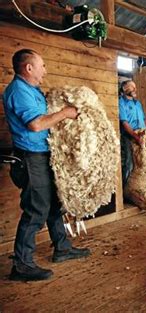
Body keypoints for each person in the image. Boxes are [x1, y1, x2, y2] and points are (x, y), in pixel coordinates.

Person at [3, 49, 90, 281]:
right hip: (31, 158)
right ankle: (21, 265)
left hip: (43, 155)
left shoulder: (32, 90)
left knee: (53, 204)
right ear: (28, 68)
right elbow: (35, 124)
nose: (45, 70)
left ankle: (62, 247)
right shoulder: (19, 91)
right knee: (36, 210)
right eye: (41, 65)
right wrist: (65, 113)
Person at [119, 80, 146, 186]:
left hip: (141, 134)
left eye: (135, 86)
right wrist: (136, 136)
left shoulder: (138, 103)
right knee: (129, 163)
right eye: (131, 86)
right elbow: (124, 123)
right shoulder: (121, 102)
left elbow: (143, 120)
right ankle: (124, 190)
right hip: (129, 135)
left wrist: (143, 134)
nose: (135, 88)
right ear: (124, 88)